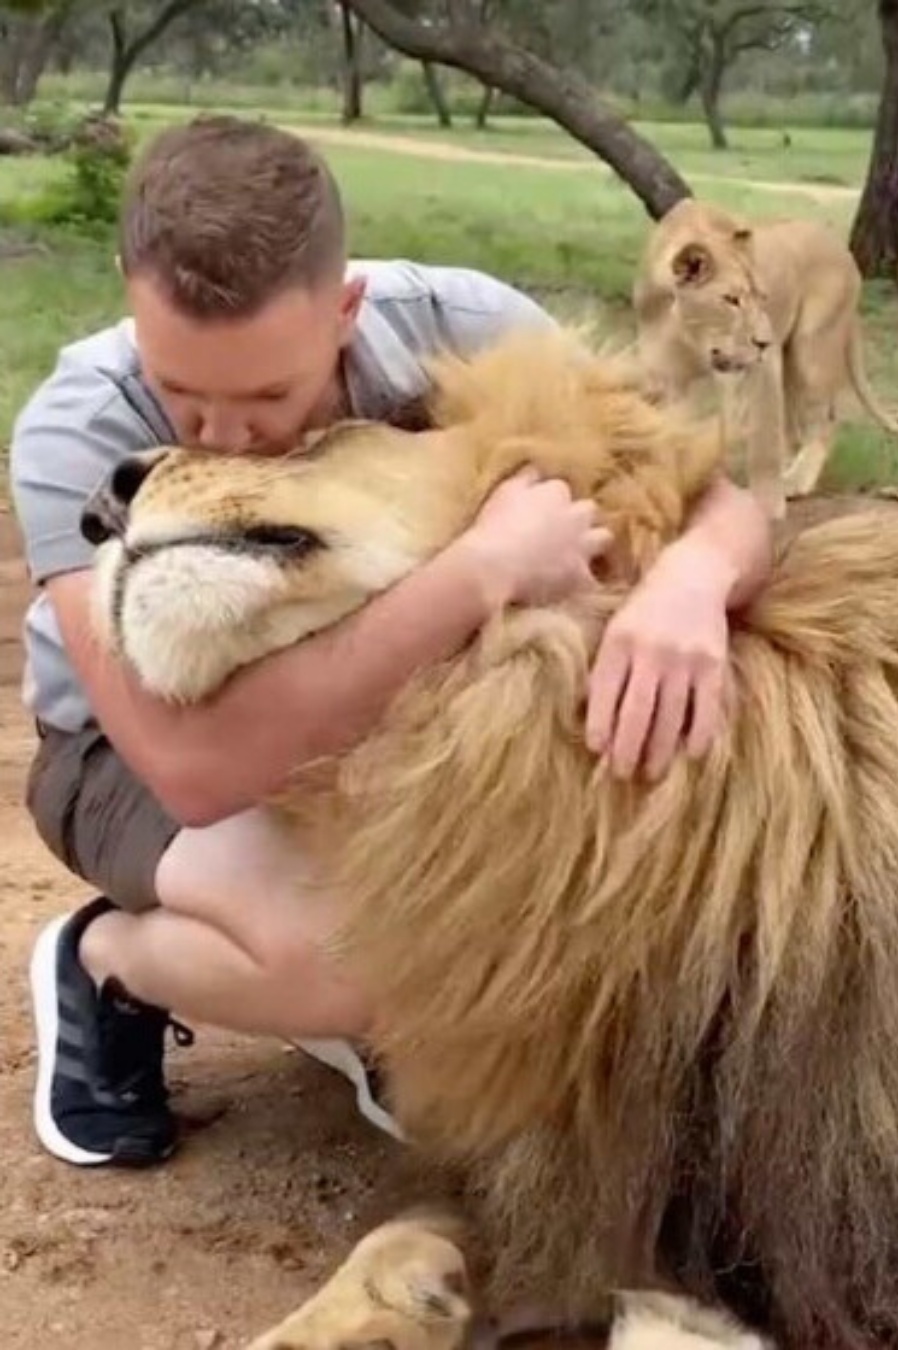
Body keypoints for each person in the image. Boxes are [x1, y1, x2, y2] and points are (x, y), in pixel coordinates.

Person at [8, 114, 773, 1170]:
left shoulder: (459, 323)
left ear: (346, 311)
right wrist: (480, 573)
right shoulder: (73, 424)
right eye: (180, 398)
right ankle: (107, 963)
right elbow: (194, 770)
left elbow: (713, 499)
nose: (222, 438)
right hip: (134, 744)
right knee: (355, 957)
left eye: (270, 396)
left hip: (379, 715)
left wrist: (693, 578)